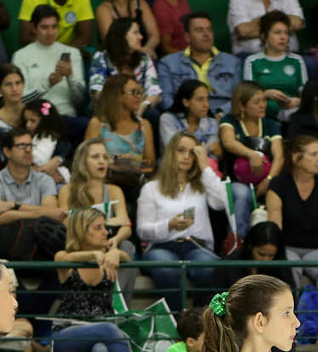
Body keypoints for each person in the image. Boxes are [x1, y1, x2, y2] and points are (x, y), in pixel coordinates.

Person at [138, 132, 227, 309]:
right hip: (162, 246)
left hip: (196, 246)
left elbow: (224, 202)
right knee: (167, 268)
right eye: (181, 150)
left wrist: (205, 167)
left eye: (192, 152)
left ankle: (201, 320)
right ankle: (176, 319)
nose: (187, 156)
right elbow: (142, 230)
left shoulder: (202, 184)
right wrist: (168, 225)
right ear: (170, 152)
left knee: (209, 268)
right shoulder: (151, 188)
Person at [266, 134, 318, 313]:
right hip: (288, 247)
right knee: (288, 266)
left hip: (317, 248)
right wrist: (276, 256)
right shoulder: (279, 184)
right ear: (296, 158)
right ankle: (288, 322)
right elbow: (275, 225)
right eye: (313, 154)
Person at [50, 207, 134, 352]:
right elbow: (62, 258)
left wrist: (117, 252)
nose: (106, 232)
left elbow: (127, 259)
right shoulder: (65, 258)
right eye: (98, 228)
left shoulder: (107, 260)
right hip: (66, 333)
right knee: (108, 330)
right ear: (81, 231)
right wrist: (92, 254)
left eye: (105, 227)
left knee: (100, 350)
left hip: (103, 333)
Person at [0, 127, 66, 258]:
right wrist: (37, 212)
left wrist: (13, 206)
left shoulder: (45, 180)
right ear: (7, 152)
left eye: (30, 146)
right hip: (5, 246)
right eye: (21, 146)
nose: (28, 150)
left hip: (40, 246)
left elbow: (53, 213)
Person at [219, 81, 283, 236]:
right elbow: (228, 142)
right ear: (242, 105)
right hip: (236, 181)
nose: (263, 105)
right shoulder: (230, 120)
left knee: (278, 193)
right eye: (257, 102)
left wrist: (268, 180)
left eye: (264, 100)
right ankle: (237, 239)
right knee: (242, 194)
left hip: (267, 179)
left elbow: (279, 156)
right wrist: (251, 154)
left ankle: (272, 240)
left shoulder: (270, 124)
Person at [85, 73, 157, 210]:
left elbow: (150, 166)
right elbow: (87, 161)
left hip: (135, 185)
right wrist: (116, 162)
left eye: (140, 92)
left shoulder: (144, 126)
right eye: (134, 92)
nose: (139, 97)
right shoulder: (98, 124)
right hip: (104, 184)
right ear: (117, 96)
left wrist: (131, 163)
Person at [158, 12, 241, 117]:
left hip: (222, 116)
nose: (206, 34)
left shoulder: (232, 62)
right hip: (184, 116)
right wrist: (185, 116)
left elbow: (238, 98)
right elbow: (165, 99)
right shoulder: (168, 63)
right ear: (187, 37)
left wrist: (221, 114)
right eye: (199, 30)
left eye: (209, 30)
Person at [57, 138, 132, 253]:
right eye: (95, 157)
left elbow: (126, 225)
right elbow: (67, 225)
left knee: (126, 246)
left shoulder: (114, 191)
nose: (102, 161)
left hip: (107, 242)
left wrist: (116, 239)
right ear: (82, 162)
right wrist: (109, 222)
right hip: (79, 246)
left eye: (105, 157)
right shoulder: (67, 190)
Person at [11, 6, 86, 117]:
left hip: (66, 116)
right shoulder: (20, 56)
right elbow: (21, 99)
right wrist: (47, 84)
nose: (50, 32)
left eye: (54, 26)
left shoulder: (72, 53)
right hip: (36, 117)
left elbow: (81, 100)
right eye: (44, 27)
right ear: (34, 28)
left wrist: (70, 76)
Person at [243, 11, 307, 119]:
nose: (283, 37)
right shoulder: (252, 61)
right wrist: (265, 94)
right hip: (262, 117)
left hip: (292, 116)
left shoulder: (297, 60)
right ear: (264, 36)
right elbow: (247, 96)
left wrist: (298, 102)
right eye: (277, 32)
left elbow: (306, 96)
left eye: (286, 32)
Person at [89, 17, 162, 108]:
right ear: (121, 36)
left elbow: (154, 91)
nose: (141, 37)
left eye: (139, 33)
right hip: (108, 108)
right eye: (135, 33)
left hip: (139, 107)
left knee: (153, 114)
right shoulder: (102, 57)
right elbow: (97, 91)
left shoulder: (145, 58)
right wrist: (124, 106)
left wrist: (143, 107)